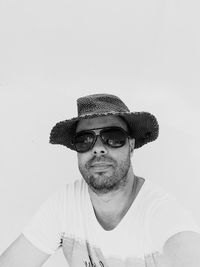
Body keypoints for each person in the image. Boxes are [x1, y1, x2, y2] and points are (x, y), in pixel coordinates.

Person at [1, 93, 200, 267]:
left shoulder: (161, 214)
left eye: (112, 137)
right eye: (85, 140)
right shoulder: (66, 204)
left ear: (131, 146)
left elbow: (187, 251)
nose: (98, 148)